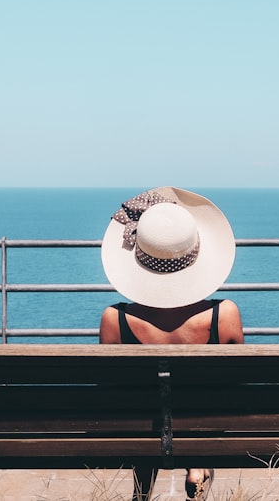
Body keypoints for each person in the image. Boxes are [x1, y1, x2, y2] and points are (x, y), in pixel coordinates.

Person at [98, 187, 244, 501]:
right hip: (205, 426)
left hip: (140, 429)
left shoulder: (113, 319)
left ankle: (142, 491)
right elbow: (235, 383)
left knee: (143, 405)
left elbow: (111, 389)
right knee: (204, 403)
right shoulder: (225, 315)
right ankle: (197, 462)